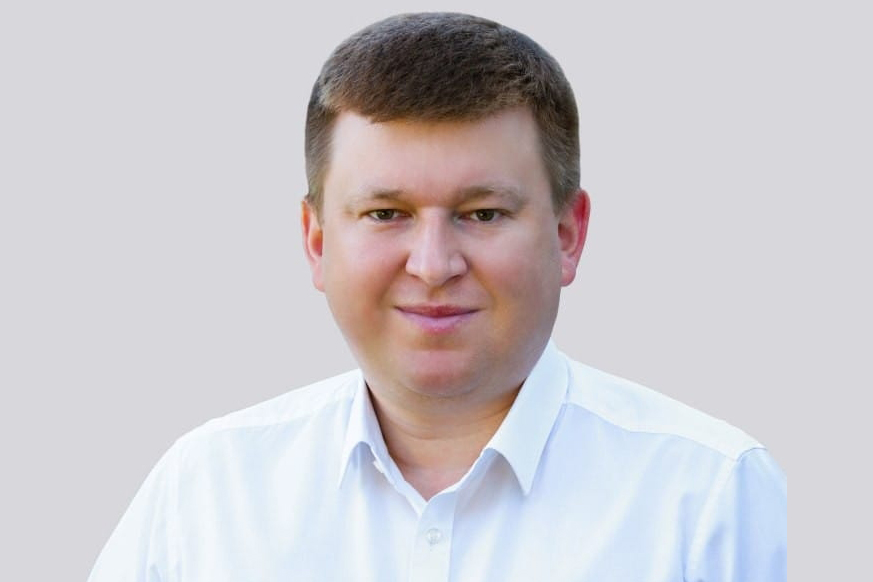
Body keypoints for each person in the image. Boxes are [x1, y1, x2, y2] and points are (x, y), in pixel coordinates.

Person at [89, 12, 786, 581]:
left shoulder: (710, 497)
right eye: (385, 213)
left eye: (482, 213)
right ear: (316, 240)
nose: (432, 265)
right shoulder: (205, 496)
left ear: (567, 234)